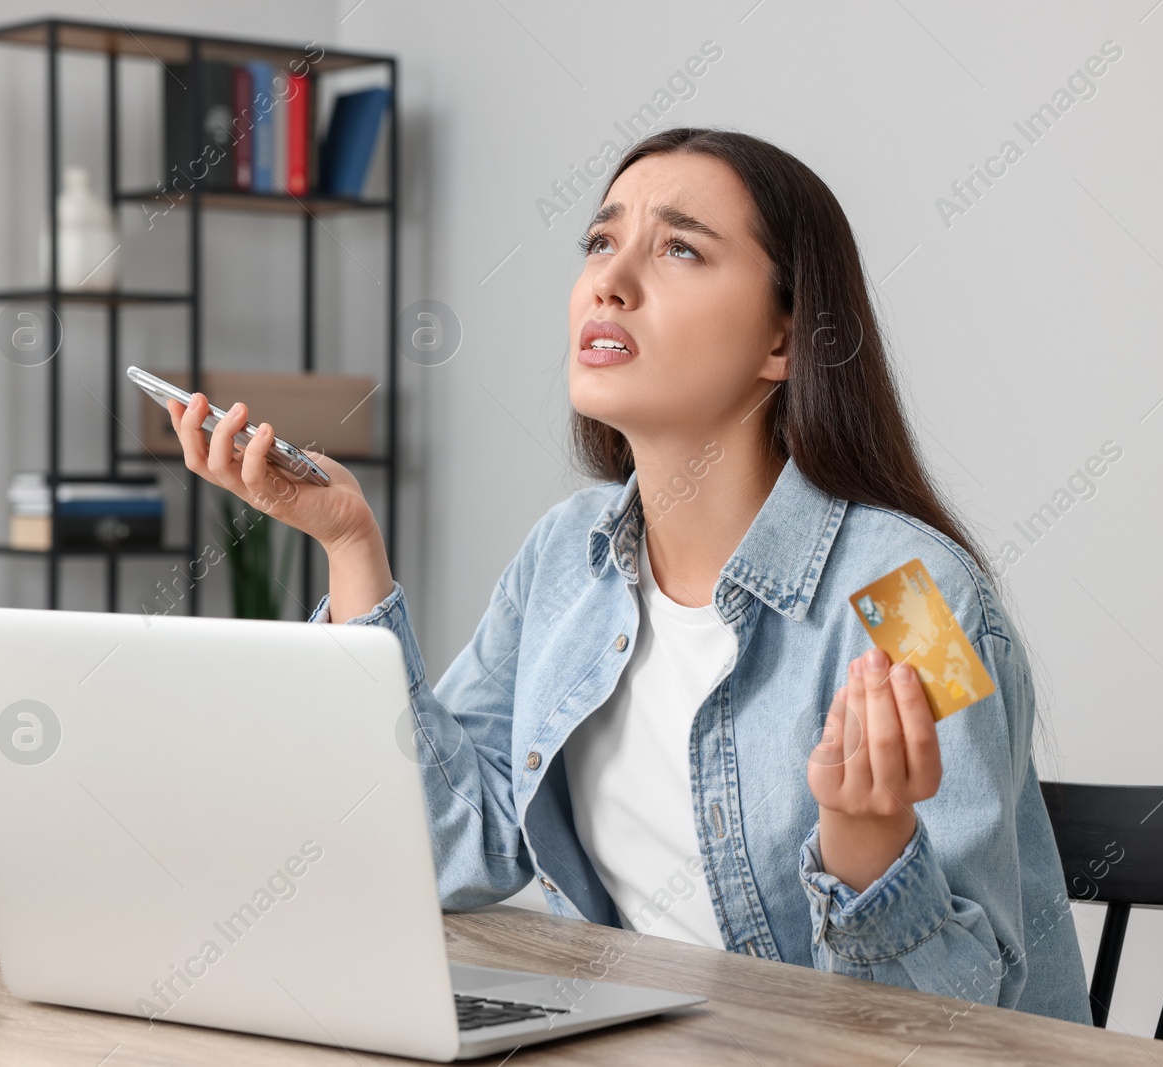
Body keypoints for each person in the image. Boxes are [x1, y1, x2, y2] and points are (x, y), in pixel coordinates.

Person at [166, 126, 1092, 1024]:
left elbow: (966, 1022)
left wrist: (868, 851)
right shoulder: (567, 554)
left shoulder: (915, 597)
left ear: (784, 340)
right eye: (601, 241)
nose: (609, 281)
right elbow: (455, 847)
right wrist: (351, 546)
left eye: (680, 250)